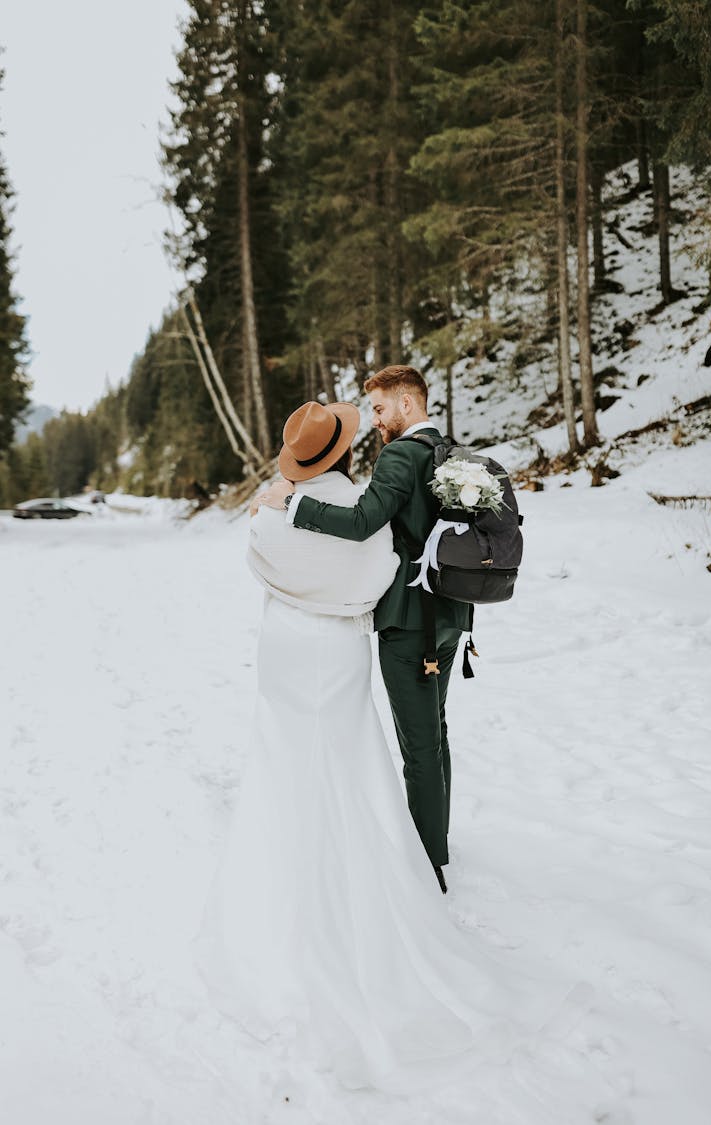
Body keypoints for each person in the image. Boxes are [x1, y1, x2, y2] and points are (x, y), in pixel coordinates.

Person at [195, 399, 519, 1093]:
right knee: (348, 754)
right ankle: (392, 861)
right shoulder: (360, 507)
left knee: (283, 753)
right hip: (338, 651)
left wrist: (271, 515)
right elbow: (375, 585)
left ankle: (282, 864)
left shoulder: (275, 511)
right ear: (345, 452)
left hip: (284, 647)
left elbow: (259, 560)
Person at [260, 365, 470, 893]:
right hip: (451, 617)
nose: (375, 421)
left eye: (379, 408)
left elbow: (361, 524)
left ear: (406, 400)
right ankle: (436, 841)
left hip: (409, 623)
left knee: (418, 745)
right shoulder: (448, 451)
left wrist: (293, 504)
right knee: (436, 735)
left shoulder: (402, 454)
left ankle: (428, 865)